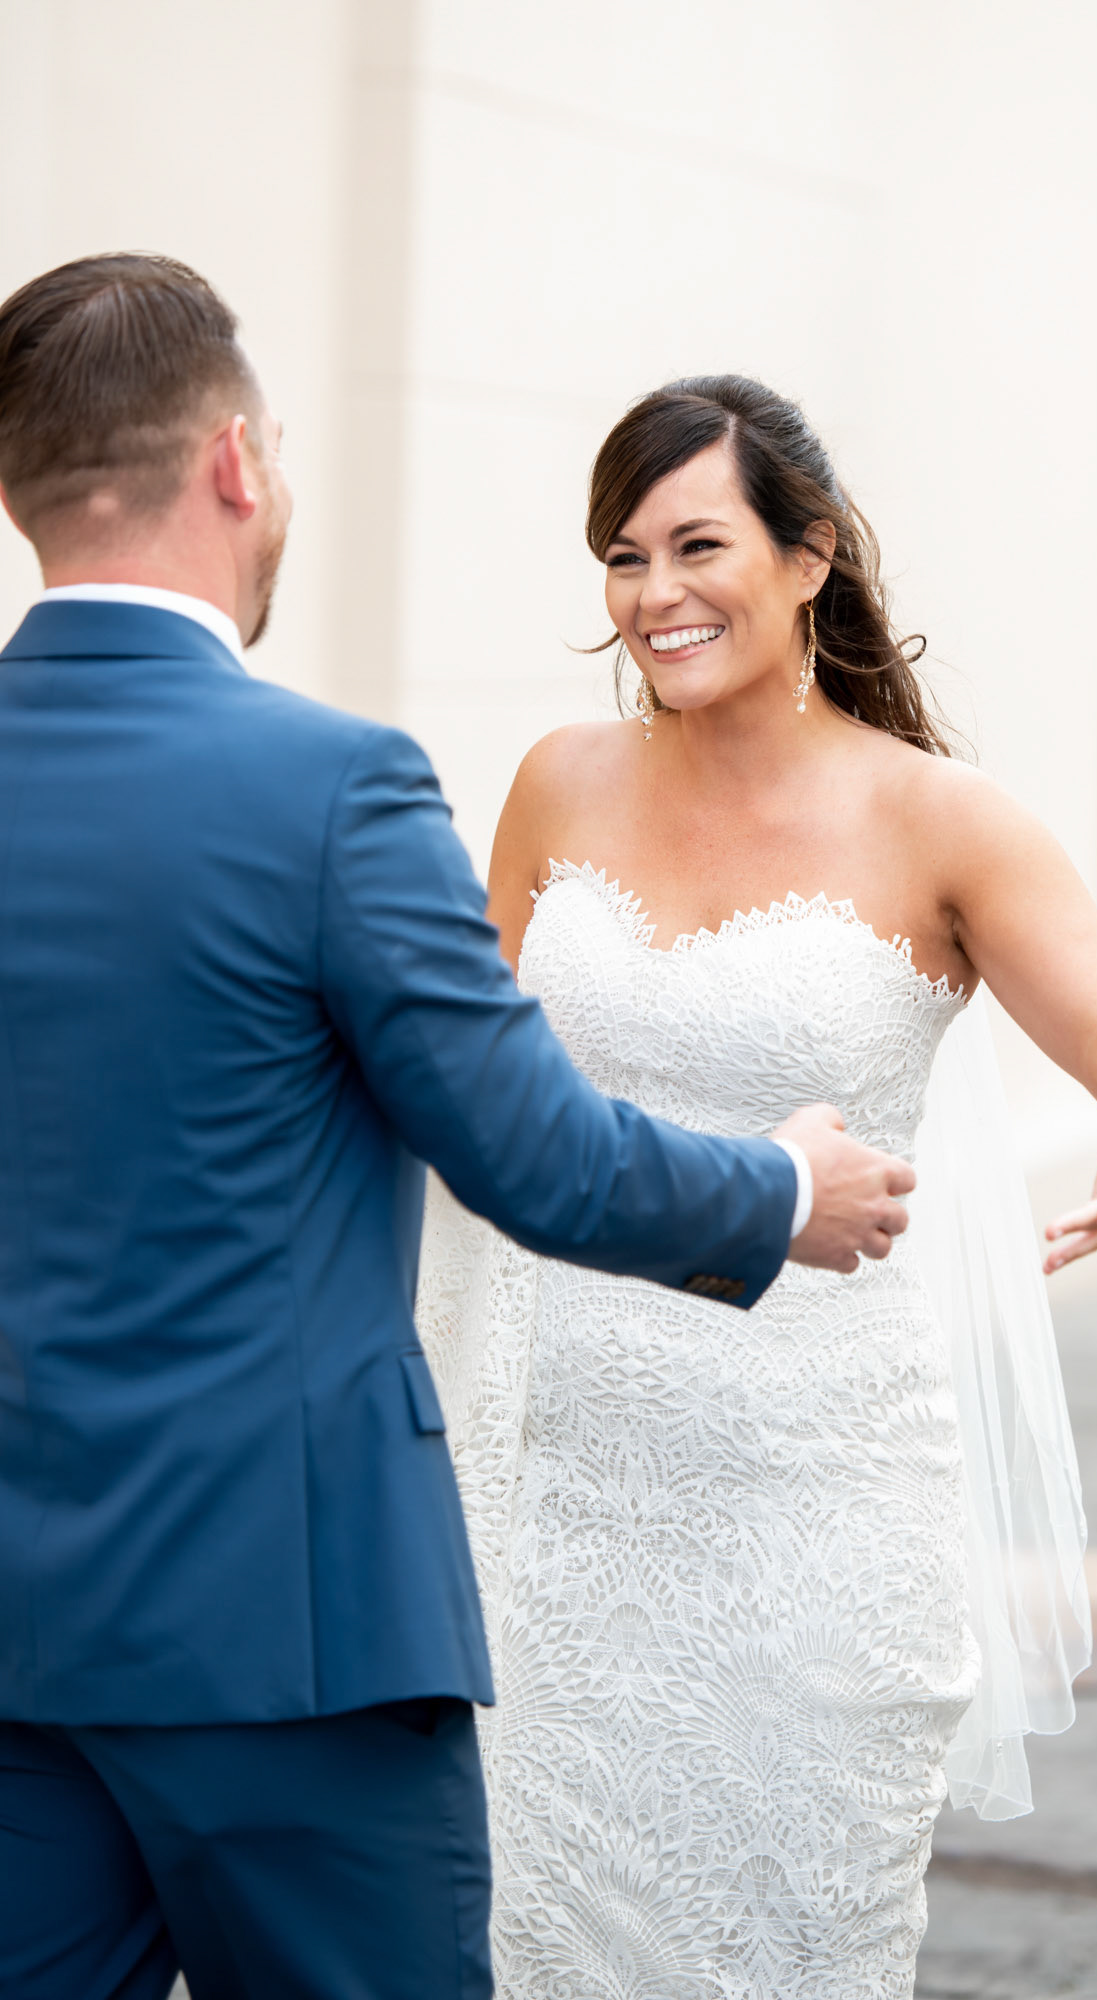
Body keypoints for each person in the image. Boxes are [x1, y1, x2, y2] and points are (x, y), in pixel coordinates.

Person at [0, 261, 914, 2000]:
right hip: (292, 1636)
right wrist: (786, 1186)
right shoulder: (327, 786)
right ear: (239, 467)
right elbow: (538, 1156)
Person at [419, 374, 1097, 1998]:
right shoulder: (556, 783)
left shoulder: (945, 820)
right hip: (555, 1498)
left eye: (697, 544)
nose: (656, 595)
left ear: (811, 556)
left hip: (816, 1512)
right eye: (623, 557)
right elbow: (464, 1076)